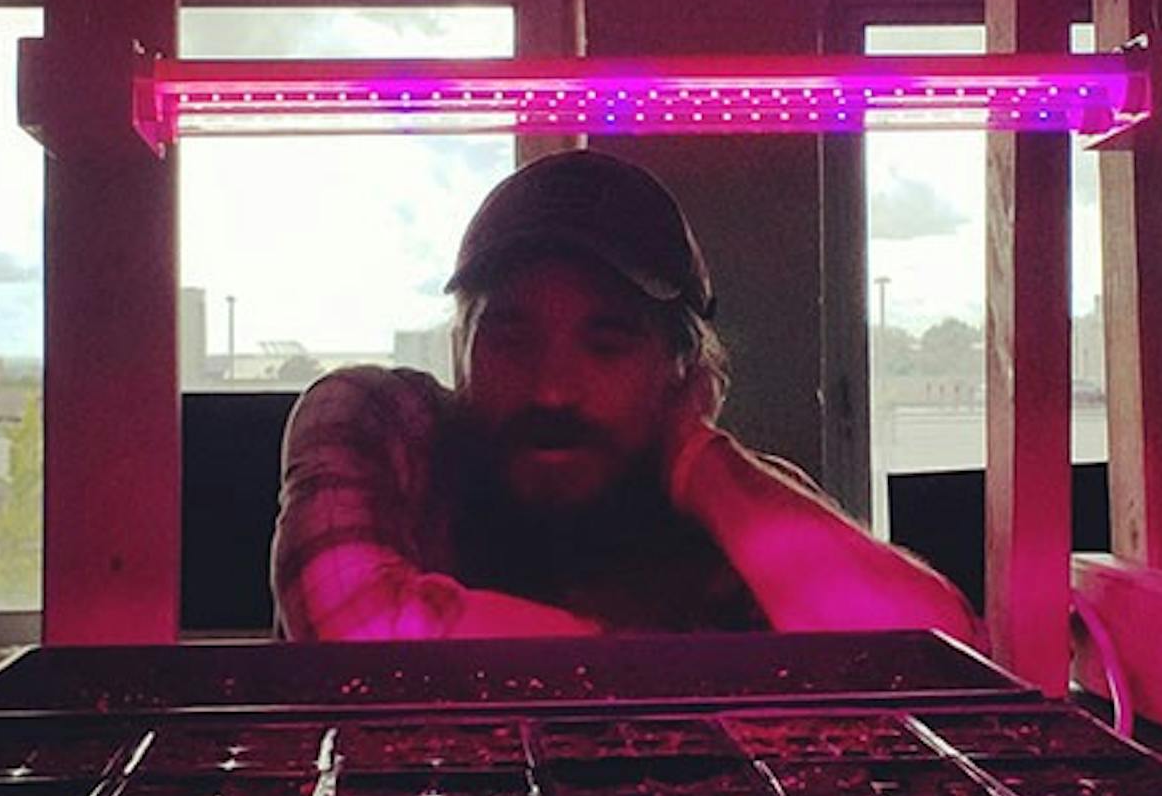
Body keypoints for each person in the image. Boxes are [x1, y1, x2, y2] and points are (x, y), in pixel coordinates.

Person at [271, 149, 977, 644]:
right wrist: (661, 658)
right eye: (511, 339)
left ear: (680, 366)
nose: (551, 387)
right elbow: (355, 621)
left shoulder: (730, 499)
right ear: (460, 347)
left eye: (605, 345)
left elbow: (940, 651)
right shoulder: (378, 422)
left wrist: (701, 459)